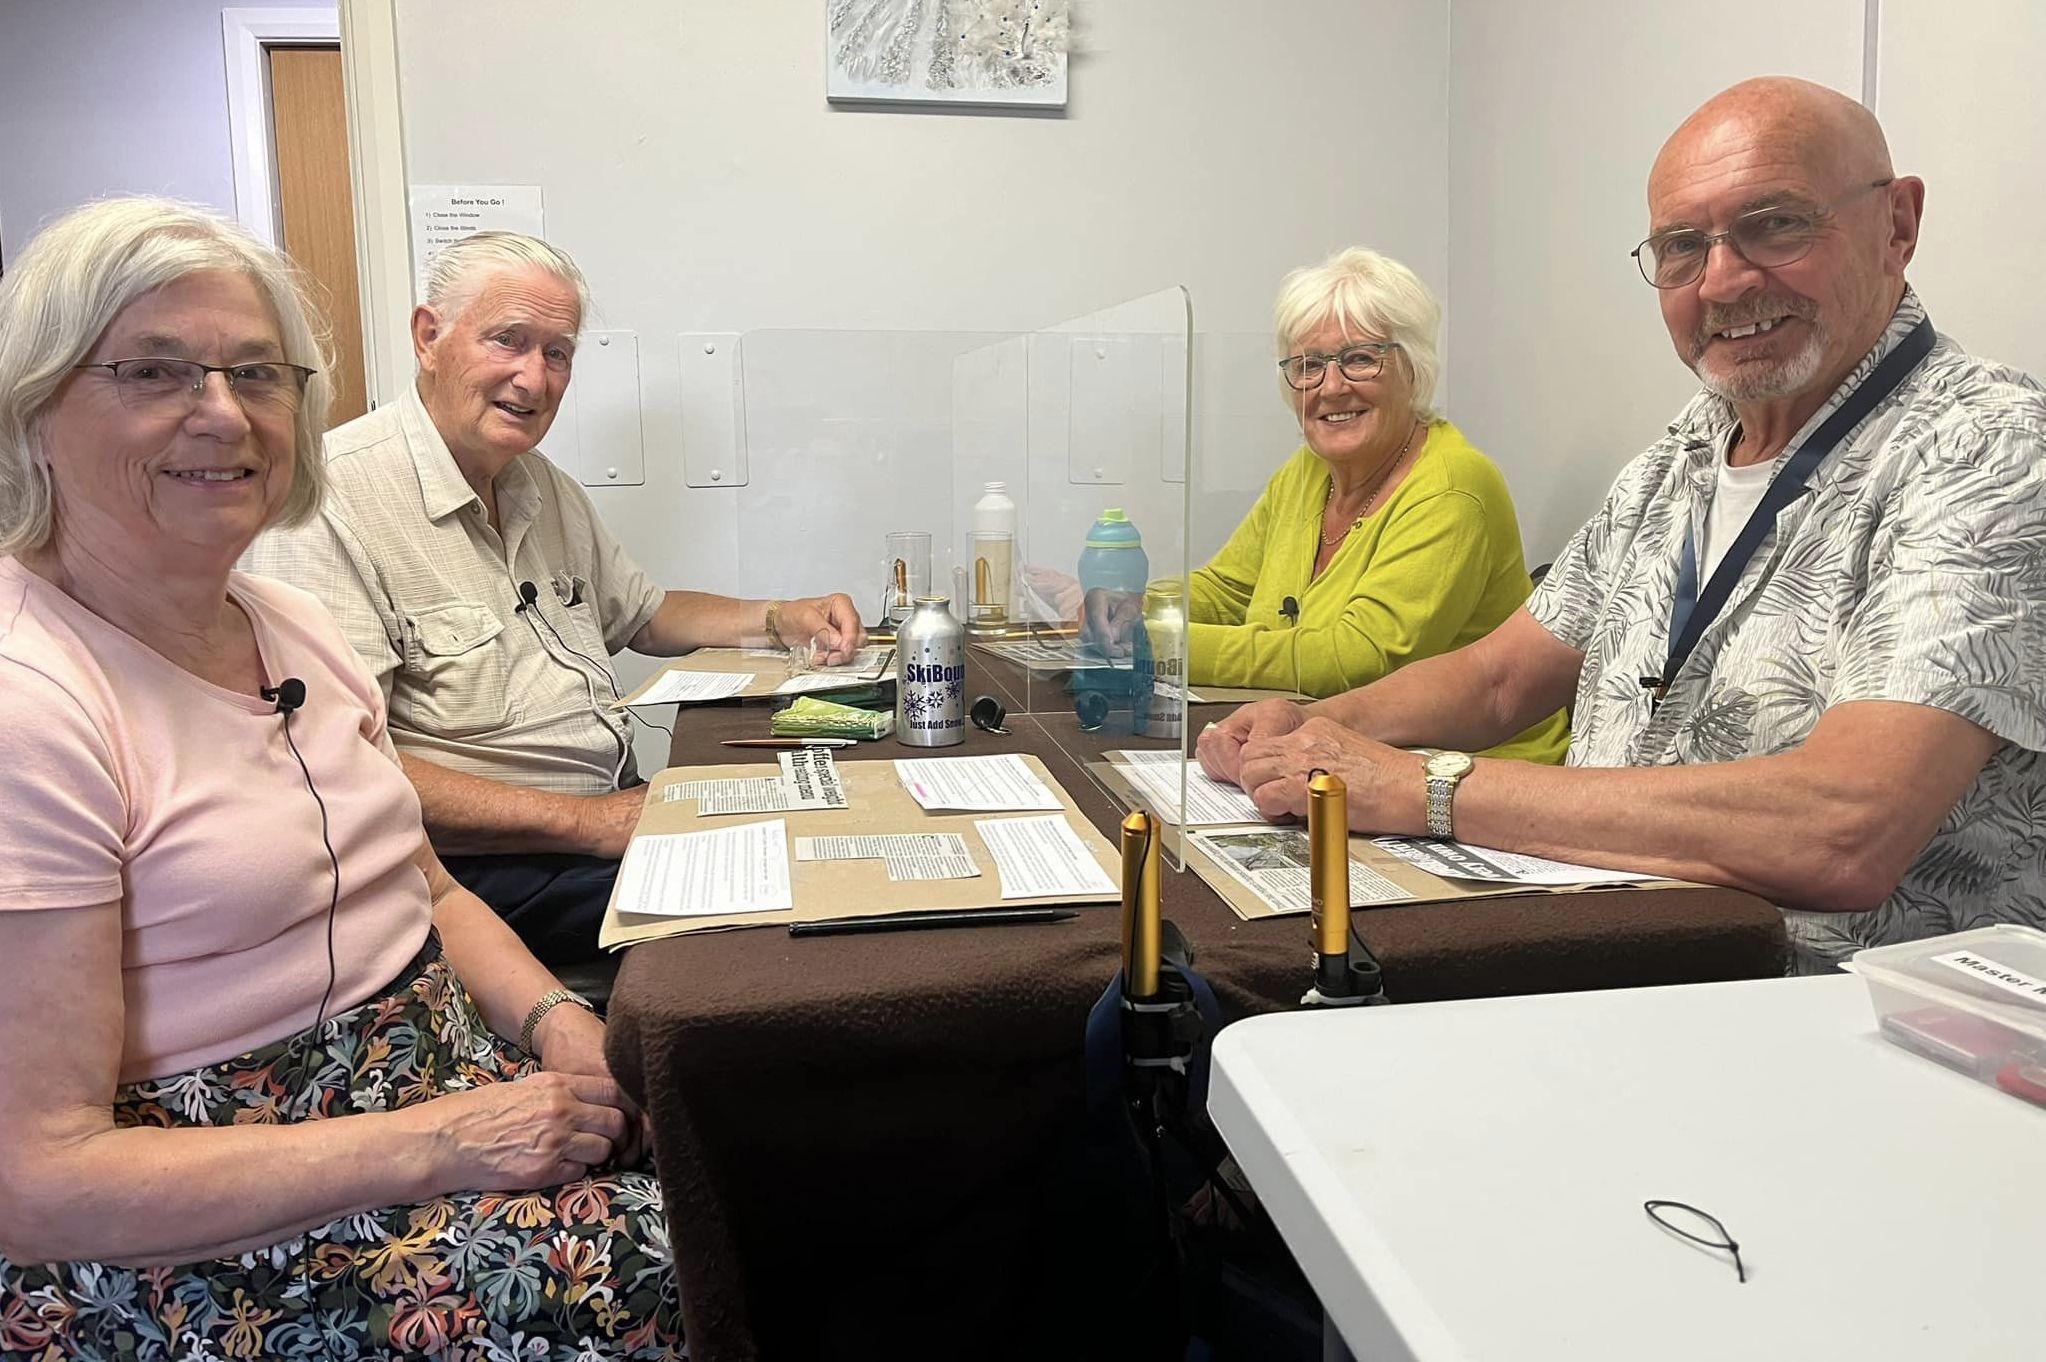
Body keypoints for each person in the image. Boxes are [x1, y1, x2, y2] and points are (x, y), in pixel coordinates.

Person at [0, 198, 682, 1359]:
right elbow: (40, 1182)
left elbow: (432, 892)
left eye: (258, 373)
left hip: (446, 1076)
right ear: (36, 408)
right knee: (722, 1256)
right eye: (153, 371)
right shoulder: (33, 703)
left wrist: (562, 1023)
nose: (223, 412)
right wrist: (446, 1143)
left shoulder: (290, 623)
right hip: (230, 1224)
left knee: (763, 1139)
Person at [1199, 77, 2046, 974]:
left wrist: (1424, 786)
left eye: (1776, 224)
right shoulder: (1684, 448)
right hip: (1611, 951)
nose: (1723, 279)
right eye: (1684, 247)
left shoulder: (1987, 448)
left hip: (1838, 1024)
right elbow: (1500, 678)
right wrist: (1313, 730)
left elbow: (1846, 826)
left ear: (1898, 225)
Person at [242, 231, 864, 965]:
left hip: (599, 821)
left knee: (829, 822)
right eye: (508, 340)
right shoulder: (332, 502)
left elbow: (646, 614)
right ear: (428, 337)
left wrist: (778, 617)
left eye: (557, 352)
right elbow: (343, 769)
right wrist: (589, 824)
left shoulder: (541, 485)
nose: (533, 379)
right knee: (799, 915)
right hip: (484, 873)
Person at [1185, 247, 1568, 762]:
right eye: (1309, 366)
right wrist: (1124, 610)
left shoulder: (1454, 486)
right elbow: (1225, 590)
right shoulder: (1307, 471)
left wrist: (1161, 647)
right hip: (1320, 748)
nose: (1332, 386)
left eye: (1361, 359)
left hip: (1465, 779)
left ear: (1414, 370)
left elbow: (1356, 659)